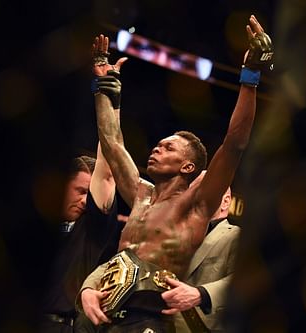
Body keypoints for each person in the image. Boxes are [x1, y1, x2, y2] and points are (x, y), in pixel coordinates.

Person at [78, 14, 273, 333]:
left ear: (189, 167)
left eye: (168, 148)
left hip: (151, 319)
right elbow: (112, 143)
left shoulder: (194, 205)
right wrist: (104, 88)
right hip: (109, 316)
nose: (156, 148)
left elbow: (235, 143)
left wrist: (250, 76)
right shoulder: (141, 195)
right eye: (158, 145)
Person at [39, 148, 122, 333]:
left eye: (89, 195)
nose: (85, 201)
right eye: (80, 191)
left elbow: (107, 173)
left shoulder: (91, 228)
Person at [161, 179, 239, 332]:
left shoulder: (236, 235)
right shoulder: (173, 235)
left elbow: (242, 282)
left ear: (225, 202)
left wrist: (201, 294)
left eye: (205, 192)